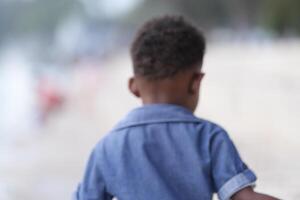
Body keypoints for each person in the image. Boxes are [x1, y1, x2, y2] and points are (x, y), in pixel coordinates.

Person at [74, 15, 279, 200]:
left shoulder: (108, 147)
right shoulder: (209, 137)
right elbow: (244, 198)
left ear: (134, 86)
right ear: (195, 83)